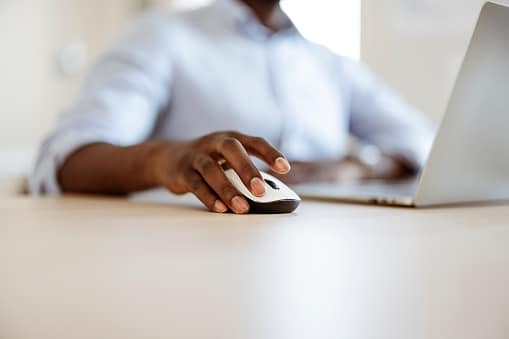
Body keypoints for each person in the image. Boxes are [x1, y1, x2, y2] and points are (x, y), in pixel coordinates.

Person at [30, 0, 434, 214]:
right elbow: (64, 161)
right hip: (199, 256)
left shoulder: (328, 63)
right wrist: (165, 158)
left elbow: (424, 140)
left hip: (329, 252)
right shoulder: (161, 37)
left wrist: (348, 168)